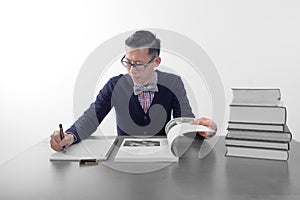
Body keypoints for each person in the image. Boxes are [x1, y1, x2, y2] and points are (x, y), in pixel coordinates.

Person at [50, 30, 217, 151]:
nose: (131, 70)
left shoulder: (173, 82)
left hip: (163, 158)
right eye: (127, 62)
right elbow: (92, 117)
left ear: (156, 61)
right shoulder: (115, 85)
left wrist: (204, 130)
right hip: (124, 158)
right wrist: (70, 136)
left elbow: (183, 121)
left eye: (138, 64)